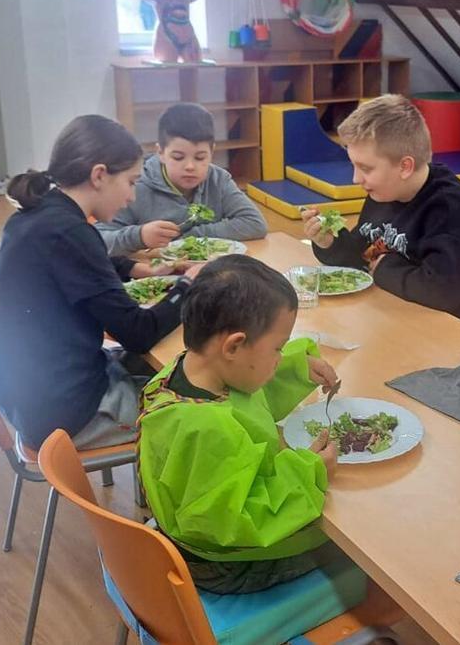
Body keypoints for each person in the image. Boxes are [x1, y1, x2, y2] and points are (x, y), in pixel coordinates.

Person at [0, 115, 198, 450]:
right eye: (130, 182)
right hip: (67, 415)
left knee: (170, 370)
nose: (131, 197)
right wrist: (189, 287)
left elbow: (79, 263)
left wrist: (137, 270)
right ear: (99, 175)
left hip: (30, 395)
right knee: (205, 404)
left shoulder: (37, 215)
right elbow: (139, 332)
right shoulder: (70, 232)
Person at [137, 254, 343, 594]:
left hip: (203, 545)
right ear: (234, 345)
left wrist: (294, 367)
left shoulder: (186, 372)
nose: (280, 356)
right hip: (232, 564)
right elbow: (239, 520)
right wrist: (310, 472)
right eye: (278, 348)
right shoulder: (204, 429)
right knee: (364, 556)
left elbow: (247, 403)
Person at [302, 94, 460, 322]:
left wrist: (383, 269)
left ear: (405, 166)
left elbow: (442, 292)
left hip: (457, 332)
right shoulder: (385, 191)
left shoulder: (450, 210)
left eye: (365, 168)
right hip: (400, 315)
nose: (355, 178)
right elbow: (363, 256)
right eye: (354, 166)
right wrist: (329, 242)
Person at [96, 102, 267, 255]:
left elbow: (255, 223)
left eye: (200, 158)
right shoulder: (135, 185)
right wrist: (139, 236)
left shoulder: (218, 179)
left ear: (212, 152)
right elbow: (98, 240)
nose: (190, 167)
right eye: (178, 157)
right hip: (154, 275)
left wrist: (191, 237)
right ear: (160, 152)